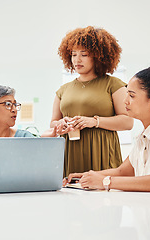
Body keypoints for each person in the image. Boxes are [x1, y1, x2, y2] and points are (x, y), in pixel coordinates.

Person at [64, 60, 150, 199]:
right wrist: (87, 176)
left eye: (131, 95)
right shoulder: (144, 137)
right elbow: (122, 172)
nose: (125, 101)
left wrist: (105, 181)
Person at [51, 26, 133, 176]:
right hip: (69, 152)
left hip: (102, 152)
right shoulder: (63, 89)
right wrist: (61, 124)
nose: (77, 60)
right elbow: (53, 123)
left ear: (98, 56)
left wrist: (94, 121)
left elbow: (128, 122)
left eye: (84, 54)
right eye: (73, 54)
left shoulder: (113, 84)